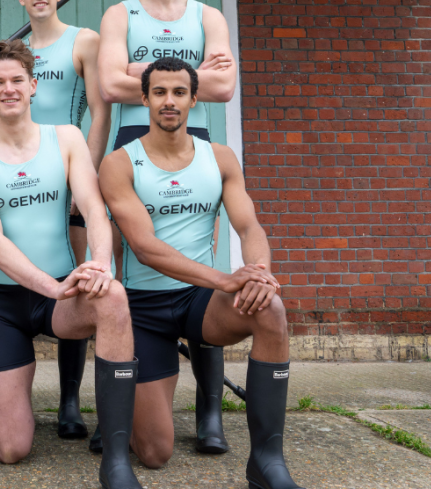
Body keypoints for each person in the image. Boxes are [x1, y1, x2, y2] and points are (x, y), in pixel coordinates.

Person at [99, 57, 301, 489]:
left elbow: (249, 227)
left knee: (271, 309)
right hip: (144, 307)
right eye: (158, 93)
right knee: (155, 453)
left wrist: (259, 272)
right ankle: (123, 409)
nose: (168, 102)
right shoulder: (119, 163)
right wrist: (228, 279)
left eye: (177, 93)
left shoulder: (220, 157)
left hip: (200, 301)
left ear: (193, 99)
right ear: (144, 99)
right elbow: (145, 248)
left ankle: (267, 463)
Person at [0, 40, 141, 489]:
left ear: (33, 85)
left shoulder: (66, 138)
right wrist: (50, 288)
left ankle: (115, 455)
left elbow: (93, 210)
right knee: (12, 449)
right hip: (5, 303)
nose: (9, 88)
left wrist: (97, 265)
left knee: (111, 296)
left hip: (64, 293)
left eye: (17, 80)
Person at [97, 0, 236, 455]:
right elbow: (109, 84)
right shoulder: (120, 14)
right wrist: (191, 70)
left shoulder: (209, 15)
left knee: (203, 273)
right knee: (134, 269)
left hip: (192, 147)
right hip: (135, 143)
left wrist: (140, 70)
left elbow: (224, 86)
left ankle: (209, 414)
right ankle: (126, 405)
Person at [15, 0, 111, 441]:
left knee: (75, 286)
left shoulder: (84, 40)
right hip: (25, 182)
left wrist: (83, 180)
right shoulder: (13, 50)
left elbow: (98, 112)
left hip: (69, 178)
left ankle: (71, 403)